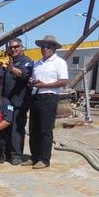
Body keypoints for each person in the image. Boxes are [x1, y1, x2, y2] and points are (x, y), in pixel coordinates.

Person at [25, 35, 69, 169]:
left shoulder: (59, 62)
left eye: (48, 46)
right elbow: (32, 79)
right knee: (33, 129)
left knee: (45, 130)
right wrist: (32, 82)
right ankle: (34, 157)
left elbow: (64, 81)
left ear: (54, 48)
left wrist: (45, 85)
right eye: (43, 46)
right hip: (36, 97)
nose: (45, 49)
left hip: (49, 98)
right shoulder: (37, 63)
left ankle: (44, 159)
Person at [2, 38, 34, 165]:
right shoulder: (9, 61)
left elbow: (23, 74)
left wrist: (12, 68)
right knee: (7, 128)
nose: (13, 49)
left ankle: (17, 155)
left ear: (22, 47)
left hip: (19, 103)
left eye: (16, 47)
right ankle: (8, 152)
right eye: (11, 47)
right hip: (7, 102)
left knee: (17, 129)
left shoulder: (26, 61)